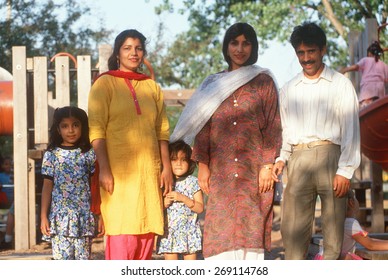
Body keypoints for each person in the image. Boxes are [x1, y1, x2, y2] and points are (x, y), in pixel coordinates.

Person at [171, 22, 282, 260]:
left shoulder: (263, 82)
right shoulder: (213, 84)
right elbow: (202, 127)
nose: (239, 49)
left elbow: (273, 126)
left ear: (253, 47)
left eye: (246, 43)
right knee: (219, 226)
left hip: (253, 170)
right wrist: (202, 165)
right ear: (226, 46)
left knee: (251, 224)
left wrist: (266, 165)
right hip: (220, 171)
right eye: (234, 43)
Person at [272, 22, 361, 260]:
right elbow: (286, 131)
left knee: (333, 234)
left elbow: (351, 129)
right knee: (292, 230)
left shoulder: (340, 84)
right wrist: (282, 158)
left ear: (323, 50)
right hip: (298, 160)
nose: (306, 58)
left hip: (332, 158)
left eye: (311, 51)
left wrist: (346, 170)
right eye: (300, 52)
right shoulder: (289, 89)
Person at [87, 29, 173, 260]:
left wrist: (166, 168)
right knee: (122, 231)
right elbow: (96, 129)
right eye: (127, 48)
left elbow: (161, 131)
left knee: (146, 232)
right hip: (117, 173)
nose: (133, 53)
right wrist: (104, 168)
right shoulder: (104, 84)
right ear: (117, 53)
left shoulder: (152, 87)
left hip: (148, 172)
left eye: (138, 48)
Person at [40, 106, 98, 260]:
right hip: (60, 218)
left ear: (82, 127)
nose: (70, 130)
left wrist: (99, 214)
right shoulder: (51, 155)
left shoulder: (89, 154)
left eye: (75, 125)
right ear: (58, 130)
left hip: (83, 217)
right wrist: (43, 216)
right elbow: (47, 186)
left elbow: (95, 186)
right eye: (65, 126)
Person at [157, 140, 204, 260]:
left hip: (190, 233)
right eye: (174, 159)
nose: (179, 163)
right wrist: (164, 204)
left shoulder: (193, 182)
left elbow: (199, 208)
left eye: (183, 160)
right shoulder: (164, 182)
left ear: (189, 162)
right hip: (169, 234)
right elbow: (155, 208)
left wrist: (183, 198)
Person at [315, 190, 388, 260]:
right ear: (351, 202)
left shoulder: (335, 222)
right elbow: (371, 245)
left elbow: (369, 240)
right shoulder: (350, 223)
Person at [340, 41, 388, 108]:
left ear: (369, 53)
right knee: (378, 107)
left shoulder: (366, 60)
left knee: (365, 107)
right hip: (380, 90)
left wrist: (345, 70)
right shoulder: (384, 65)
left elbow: (356, 67)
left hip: (368, 90)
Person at [0, 156, 14, 250]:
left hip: (13, 198)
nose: (8, 166)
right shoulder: (1, 176)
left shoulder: (13, 175)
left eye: (10, 164)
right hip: (4, 199)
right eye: (6, 164)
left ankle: (7, 238)